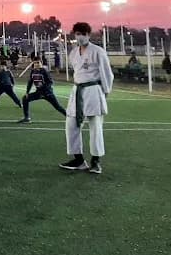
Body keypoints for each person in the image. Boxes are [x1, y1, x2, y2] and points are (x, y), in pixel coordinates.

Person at [59, 22, 114, 174]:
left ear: (88, 35)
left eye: (83, 34)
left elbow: (107, 73)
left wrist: (105, 92)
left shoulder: (98, 51)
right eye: (77, 34)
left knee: (95, 126)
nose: (80, 37)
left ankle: (96, 161)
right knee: (71, 124)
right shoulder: (74, 53)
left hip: (93, 90)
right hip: (77, 90)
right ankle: (78, 159)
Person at [19, 57, 66, 123]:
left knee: (58, 107)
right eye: (35, 63)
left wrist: (44, 87)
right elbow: (30, 82)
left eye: (38, 62)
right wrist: (27, 92)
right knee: (25, 98)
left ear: (41, 63)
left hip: (47, 93)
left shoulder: (44, 71)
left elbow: (50, 82)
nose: (36, 64)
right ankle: (27, 118)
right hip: (39, 93)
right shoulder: (33, 71)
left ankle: (69, 117)